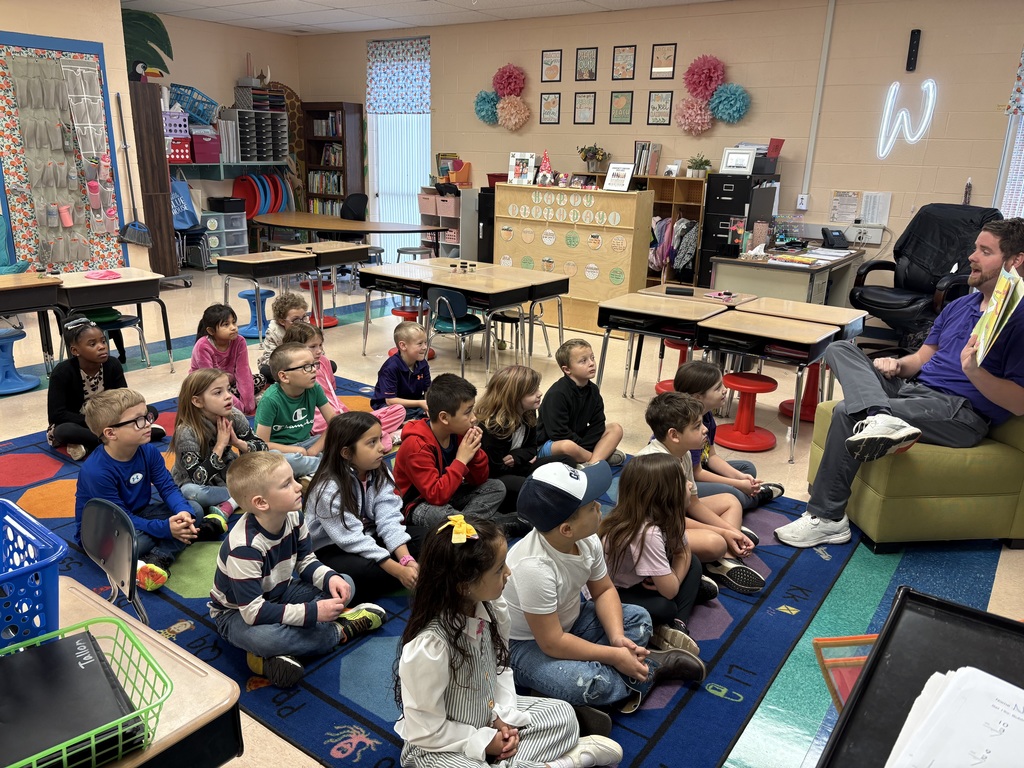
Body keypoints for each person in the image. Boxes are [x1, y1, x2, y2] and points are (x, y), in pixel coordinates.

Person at [776, 218, 1024, 547]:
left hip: (960, 412)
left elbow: (1019, 403)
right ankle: (879, 414)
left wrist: (975, 372)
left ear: (1014, 261)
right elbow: (921, 359)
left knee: (848, 413)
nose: (971, 257)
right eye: (975, 248)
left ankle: (828, 518)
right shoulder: (959, 305)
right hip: (914, 390)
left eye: (984, 251)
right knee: (839, 348)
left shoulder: (1017, 320)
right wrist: (896, 364)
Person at [395, 515, 623, 768]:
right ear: (463, 586)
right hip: (439, 744)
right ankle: (566, 763)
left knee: (564, 716)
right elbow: (425, 730)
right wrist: (482, 740)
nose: (508, 572)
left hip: (485, 715)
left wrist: (501, 717)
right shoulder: (430, 647)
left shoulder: (494, 607)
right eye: (498, 568)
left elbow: (501, 668)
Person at [503, 461, 706, 716]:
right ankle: (647, 670)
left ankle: (608, 686)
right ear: (567, 529)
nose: (600, 506)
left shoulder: (587, 538)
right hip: (524, 645)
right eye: (591, 506)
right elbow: (552, 643)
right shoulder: (534, 568)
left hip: (571, 620)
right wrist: (613, 655)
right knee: (586, 684)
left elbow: (604, 591)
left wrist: (617, 638)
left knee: (639, 619)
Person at [209, 451, 387, 688]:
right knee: (264, 638)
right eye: (286, 484)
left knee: (346, 583)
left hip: (282, 593)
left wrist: (329, 578)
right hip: (235, 613)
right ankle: (340, 630)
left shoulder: (294, 515)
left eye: (294, 479)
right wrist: (312, 613)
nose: (298, 487)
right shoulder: (245, 547)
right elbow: (252, 612)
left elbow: (305, 561)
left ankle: (272, 657)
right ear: (261, 503)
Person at [73, 389, 215, 592]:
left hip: (138, 515)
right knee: (137, 543)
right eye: (138, 421)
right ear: (111, 433)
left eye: (147, 416)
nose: (148, 423)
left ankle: (157, 558)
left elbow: (167, 487)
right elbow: (120, 518)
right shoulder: (96, 471)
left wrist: (183, 513)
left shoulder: (147, 451)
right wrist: (165, 528)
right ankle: (166, 546)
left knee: (195, 510)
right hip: (102, 533)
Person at [637, 392, 764, 595]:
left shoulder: (683, 454)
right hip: (653, 532)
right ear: (674, 435)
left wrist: (732, 532)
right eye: (696, 426)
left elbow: (693, 504)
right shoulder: (658, 466)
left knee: (730, 501)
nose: (705, 429)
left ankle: (723, 561)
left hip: (674, 519)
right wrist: (724, 532)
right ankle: (716, 559)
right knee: (716, 542)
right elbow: (670, 522)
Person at [600, 453, 718, 657]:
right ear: (666, 494)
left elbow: (684, 551)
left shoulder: (668, 515)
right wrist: (673, 582)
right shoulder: (647, 531)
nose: (690, 484)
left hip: (641, 578)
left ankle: (676, 626)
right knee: (666, 607)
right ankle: (674, 621)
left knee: (694, 563)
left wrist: (674, 578)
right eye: (683, 482)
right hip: (613, 591)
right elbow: (670, 591)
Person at [306, 412, 425, 601]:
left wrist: (406, 560)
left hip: (370, 535)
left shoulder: (379, 470)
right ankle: (404, 577)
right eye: (372, 442)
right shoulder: (328, 488)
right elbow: (350, 538)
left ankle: (405, 575)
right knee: (364, 573)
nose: (382, 448)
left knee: (429, 539)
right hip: (333, 548)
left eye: (380, 439)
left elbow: (388, 518)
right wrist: (398, 570)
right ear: (346, 453)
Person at [394, 373, 510, 530]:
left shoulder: (459, 432)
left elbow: (479, 480)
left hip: (449, 494)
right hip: (417, 504)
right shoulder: (416, 445)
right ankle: (485, 526)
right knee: (437, 514)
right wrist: (461, 460)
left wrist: (474, 451)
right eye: (467, 412)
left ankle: (465, 527)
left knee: (496, 487)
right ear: (444, 417)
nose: (474, 418)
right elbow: (435, 496)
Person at [47, 316, 164, 460]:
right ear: (75, 350)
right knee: (64, 430)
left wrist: (115, 418)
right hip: (80, 422)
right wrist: (95, 420)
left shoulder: (113, 364)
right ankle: (123, 438)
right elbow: (56, 415)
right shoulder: (62, 372)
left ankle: (89, 445)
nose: (102, 346)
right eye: (92, 344)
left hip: (112, 419)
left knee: (150, 410)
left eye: (103, 341)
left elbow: (124, 399)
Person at [673, 360, 785, 510]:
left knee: (747, 468)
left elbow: (711, 456)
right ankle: (755, 498)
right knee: (733, 494)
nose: (725, 390)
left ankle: (731, 501)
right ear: (698, 397)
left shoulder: (706, 417)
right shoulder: (688, 427)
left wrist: (739, 477)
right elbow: (696, 473)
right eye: (718, 388)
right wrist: (737, 484)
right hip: (679, 482)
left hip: (696, 470)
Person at [283, 321, 405, 451]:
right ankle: (384, 438)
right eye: (312, 346)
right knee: (373, 444)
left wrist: (346, 415)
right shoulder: (297, 376)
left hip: (343, 415)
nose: (319, 350)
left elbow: (332, 392)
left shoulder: (324, 361)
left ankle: (367, 437)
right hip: (322, 424)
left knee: (398, 410)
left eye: (320, 345)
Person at [170, 368, 269, 525]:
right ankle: (246, 492)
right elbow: (198, 479)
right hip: (197, 485)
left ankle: (230, 502)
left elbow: (263, 449)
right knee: (191, 496)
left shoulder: (234, 415)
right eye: (218, 393)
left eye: (228, 390)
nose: (228, 396)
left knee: (276, 458)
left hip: (228, 476)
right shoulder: (187, 431)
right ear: (197, 401)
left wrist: (237, 443)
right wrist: (220, 445)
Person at [475, 365, 573, 505]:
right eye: (532, 392)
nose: (539, 393)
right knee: (529, 487)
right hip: (496, 479)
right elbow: (495, 469)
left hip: (519, 467)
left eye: (537, 388)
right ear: (513, 397)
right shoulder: (493, 426)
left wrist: (517, 456)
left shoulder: (529, 412)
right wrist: (524, 460)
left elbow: (532, 448)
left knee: (566, 461)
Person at [536, 339, 624, 466]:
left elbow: (598, 423)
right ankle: (600, 458)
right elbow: (558, 433)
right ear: (567, 370)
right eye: (583, 361)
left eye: (592, 358)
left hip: (579, 440)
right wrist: (583, 446)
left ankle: (591, 462)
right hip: (552, 443)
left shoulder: (593, 390)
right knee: (568, 446)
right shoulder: (557, 394)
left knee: (616, 429)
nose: (592, 363)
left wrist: (584, 446)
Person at [254, 342, 337, 477]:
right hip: (279, 450)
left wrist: (314, 450)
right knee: (280, 462)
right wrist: (297, 450)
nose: (314, 370)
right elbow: (262, 445)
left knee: (346, 438)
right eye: (306, 367)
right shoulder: (270, 399)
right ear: (284, 376)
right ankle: (327, 466)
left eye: (314, 364)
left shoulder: (314, 388)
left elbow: (335, 422)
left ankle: (313, 468)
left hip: (307, 444)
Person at [189, 304, 263, 416]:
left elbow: (243, 372)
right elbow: (211, 381)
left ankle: (238, 400)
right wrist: (240, 408)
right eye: (226, 325)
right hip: (207, 386)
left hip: (229, 384)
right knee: (207, 397)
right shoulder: (202, 346)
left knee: (260, 379)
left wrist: (248, 405)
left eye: (234, 322)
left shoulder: (239, 341)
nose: (233, 327)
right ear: (211, 330)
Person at [371, 321, 431, 421]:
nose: (425, 347)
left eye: (425, 342)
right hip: (391, 405)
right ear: (403, 346)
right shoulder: (391, 367)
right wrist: (421, 404)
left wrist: (430, 405)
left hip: (414, 402)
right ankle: (412, 420)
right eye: (420, 343)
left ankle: (414, 420)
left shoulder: (422, 363)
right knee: (398, 412)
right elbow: (390, 401)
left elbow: (427, 389)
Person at [257, 292, 309, 371]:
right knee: (266, 370)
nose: (301, 323)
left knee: (330, 365)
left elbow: (317, 350)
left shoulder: (308, 327)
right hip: (283, 366)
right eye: (296, 320)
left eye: (304, 317)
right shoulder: (273, 333)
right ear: (282, 321)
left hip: (305, 363)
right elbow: (271, 359)